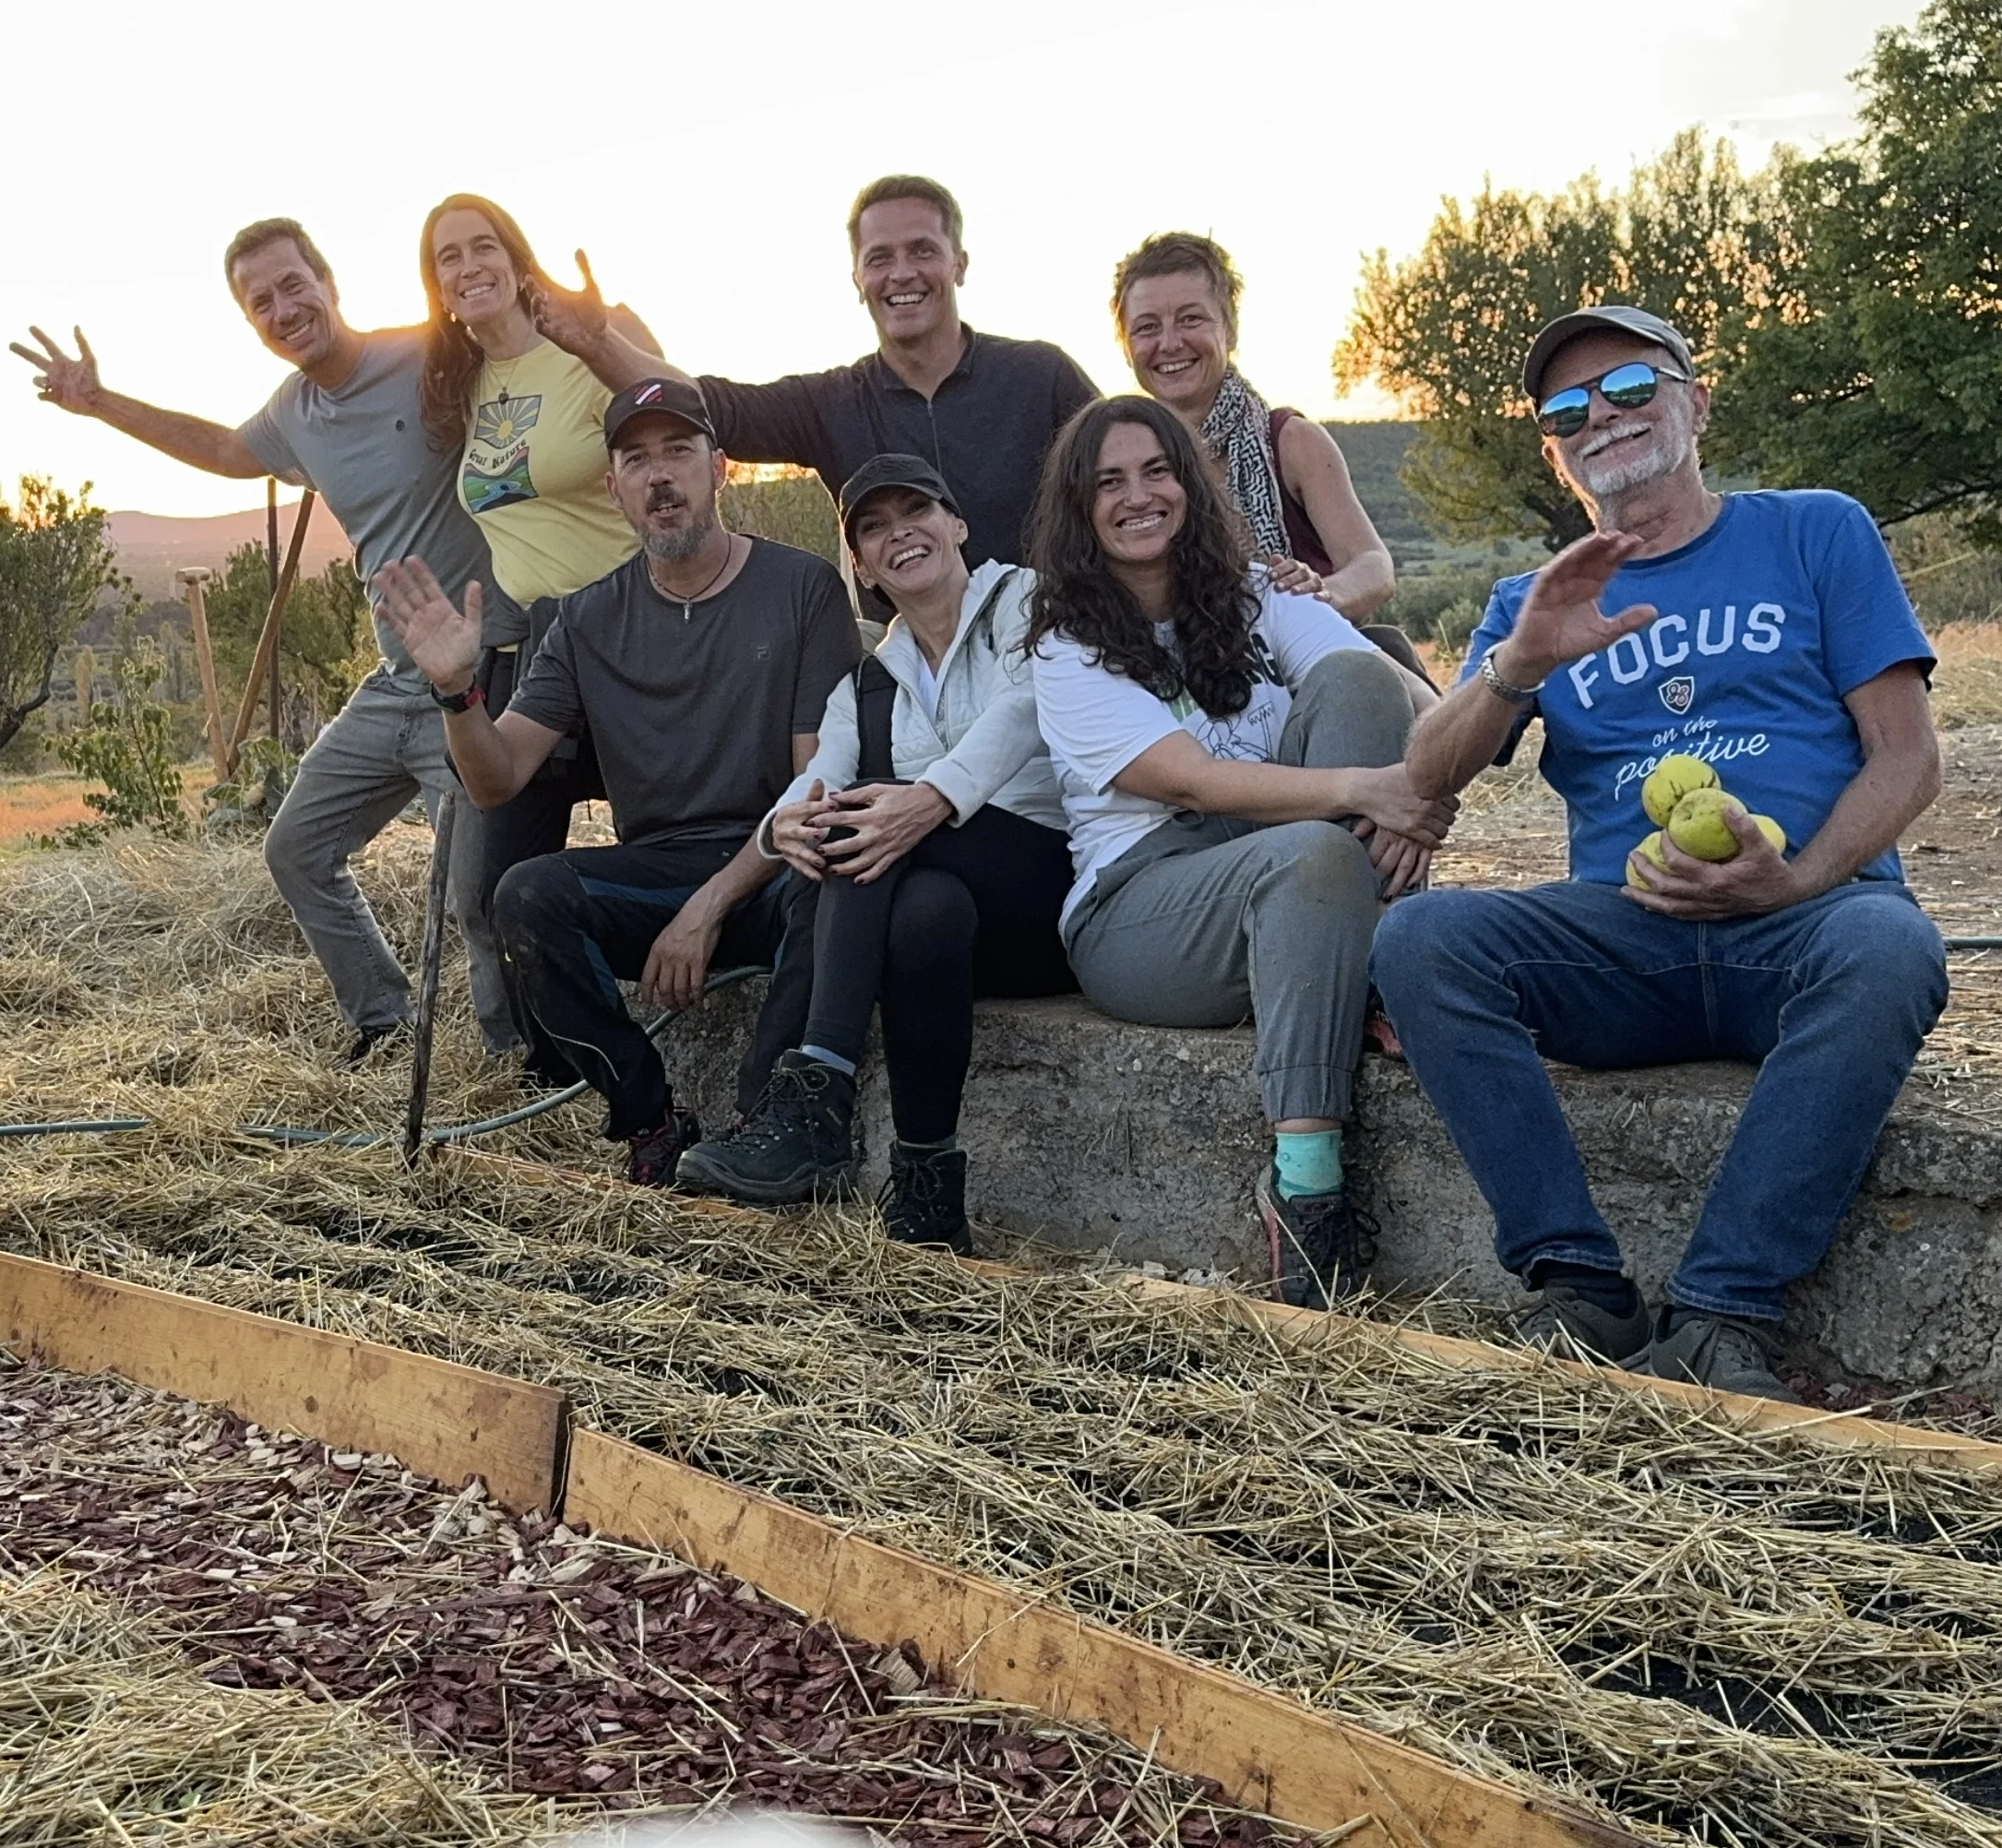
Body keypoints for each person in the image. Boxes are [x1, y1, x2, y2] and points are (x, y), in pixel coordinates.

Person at [1372, 306, 1946, 1398]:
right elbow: (1426, 774)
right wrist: (1519, 662)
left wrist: (1800, 875)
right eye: (1567, 409)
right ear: (1554, 450)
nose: (1603, 418)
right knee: (1426, 939)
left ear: (1696, 400)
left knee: (1892, 945)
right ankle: (1580, 1288)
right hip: (1629, 944)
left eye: (1632, 387)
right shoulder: (1530, 602)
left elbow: (1910, 760)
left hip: (1810, 925)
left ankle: (1724, 1315)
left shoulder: (1815, 531)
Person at [17, 220, 527, 1063]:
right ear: (252, 324)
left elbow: (532, 341)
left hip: (480, 673)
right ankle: (383, 1022)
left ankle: (514, 1064)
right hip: (395, 681)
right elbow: (223, 448)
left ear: (328, 280)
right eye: (262, 303)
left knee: (473, 896)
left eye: (294, 285)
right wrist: (99, 402)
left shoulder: (433, 353)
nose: (284, 309)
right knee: (295, 851)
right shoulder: (296, 413)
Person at [371, 381, 860, 1186]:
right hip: (658, 875)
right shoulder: (586, 618)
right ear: (615, 489)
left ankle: (764, 1124)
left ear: (721, 469)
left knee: (831, 870)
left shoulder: (802, 589)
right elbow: (497, 781)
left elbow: (814, 793)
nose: (660, 476)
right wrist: (459, 693)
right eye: (637, 459)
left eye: (679, 452)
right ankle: (652, 1120)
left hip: (771, 870)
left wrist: (711, 906)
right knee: (525, 896)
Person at [1025, 397, 1449, 1309]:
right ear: (1078, 507)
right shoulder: (1066, 644)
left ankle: (1377, 968)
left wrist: (1426, 791)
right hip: (1143, 909)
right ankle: (1305, 1189)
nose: (1137, 496)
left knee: (1356, 674)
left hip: (1281, 854)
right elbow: (1188, 783)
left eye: (1156, 471)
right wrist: (1365, 793)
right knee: (1312, 856)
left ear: (1190, 483)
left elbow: (1395, 697)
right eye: (1109, 482)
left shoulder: (1257, 594)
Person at [676, 455, 1073, 1242]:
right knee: (919, 901)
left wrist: (927, 802)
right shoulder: (867, 682)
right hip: (953, 924)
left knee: (878, 824)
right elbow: (820, 778)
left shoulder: (1029, 602)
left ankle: (817, 1091)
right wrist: (781, 829)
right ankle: (929, 1195)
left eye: (915, 511)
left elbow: (1024, 710)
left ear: (956, 524)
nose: (901, 534)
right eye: (874, 528)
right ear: (860, 566)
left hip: (1046, 891)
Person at [528, 175, 1098, 566]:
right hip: (910, 671)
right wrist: (597, 345)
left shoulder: (1040, 376)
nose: (901, 273)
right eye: (879, 258)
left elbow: (1132, 471)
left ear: (959, 264)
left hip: (1049, 653)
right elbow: (705, 406)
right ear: (856, 280)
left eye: (922, 250)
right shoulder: (831, 404)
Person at [417, 193, 659, 1061]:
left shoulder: (588, 342)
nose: (468, 266)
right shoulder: (460, 384)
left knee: (660, 852)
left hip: (636, 626)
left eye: (484, 247)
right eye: (449, 257)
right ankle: (541, 1065)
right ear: (437, 285)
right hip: (534, 644)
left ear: (521, 263)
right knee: (491, 883)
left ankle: (671, 1044)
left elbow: (685, 425)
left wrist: (602, 338)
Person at [1108, 232, 1408, 638]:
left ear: (1230, 330)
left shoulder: (1291, 441)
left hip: (1306, 661)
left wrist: (1315, 597)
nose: (1170, 342)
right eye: (1147, 327)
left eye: (1190, 319)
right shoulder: (1114, 463)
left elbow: (1374, 566)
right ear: (1126, 347)